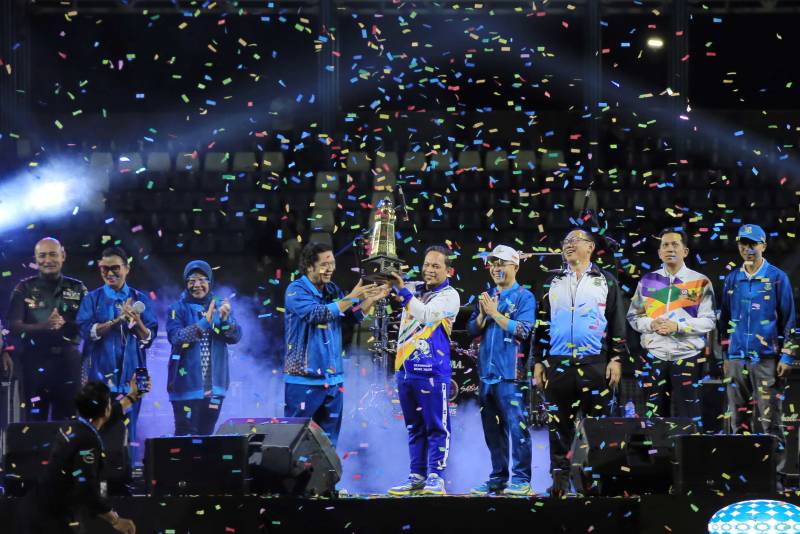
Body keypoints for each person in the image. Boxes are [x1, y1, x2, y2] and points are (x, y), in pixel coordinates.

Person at [531, 229, 627, 497]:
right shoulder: (552, 281)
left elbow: (617, 321)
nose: (568, 245)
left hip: (595, 363)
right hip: (558, 364)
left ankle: (595, 483)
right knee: (558, 426)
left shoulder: (606, 280)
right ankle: (559, 483)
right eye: (566, 241)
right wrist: (538, 360)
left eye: (575, 241)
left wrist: (616, 358)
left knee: (597, 426)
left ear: (590, 247)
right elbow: (542, 323)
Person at [283, 242, 388, 447]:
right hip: (303, 381)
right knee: (296, 444)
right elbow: (318, 314)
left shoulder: (332, 289)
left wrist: (372, 300)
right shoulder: (295, 290)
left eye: (332, 263)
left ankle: (327, 470)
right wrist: (352, 297)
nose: (330, 268)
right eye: (324, 264)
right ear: (309, 266)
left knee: (329, 446)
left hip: (333, 381)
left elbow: (350, 317)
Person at [20, 378, 145, 533]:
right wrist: (115, 520)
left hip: (38, 509)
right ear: (105, 409)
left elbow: (108, 415)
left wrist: (133, 396)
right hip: (55, 519)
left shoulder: (73, 426)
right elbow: (86, 489)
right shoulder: (88, 442)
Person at [720, 224, 796, 472]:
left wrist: (787, 356)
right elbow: (724, 322)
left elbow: (790, 320)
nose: (747, 248)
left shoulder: (777, 278)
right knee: (737, 421)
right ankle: (741, 476)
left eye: (752, 244)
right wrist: (726, 356)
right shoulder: (732, 279)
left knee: (770, 421)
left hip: (767, 360)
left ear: (763, 245)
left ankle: (775, 477)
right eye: (743, 243)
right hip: (736, 359)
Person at [387, 245, 461, 496]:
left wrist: (402, 291)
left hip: (432, 372)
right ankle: (416, 476)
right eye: (427, 264)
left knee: (437, 427)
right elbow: (392, 287)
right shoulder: (415, 289)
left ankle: (436, 477)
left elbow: (427, 315)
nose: (429, 269)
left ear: (449, 270)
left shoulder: (450, 295)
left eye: (436, 266)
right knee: (414, 427)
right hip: (405, 370)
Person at [467, 245, 536, 496]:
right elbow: (472, 329)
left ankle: (521, 480)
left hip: (511, 376)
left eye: (502, 263)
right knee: (493, 431)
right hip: (486, 376)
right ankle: (497, 478)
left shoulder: (525, 297)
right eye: (493, 263)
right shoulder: (486, 296)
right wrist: (482, 315)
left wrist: (494, 313)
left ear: (515, 266)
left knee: (517, 429)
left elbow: (524, 330)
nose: (496, 267)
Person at [627, 228, 716, 421]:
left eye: (675, 244)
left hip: (688, 358)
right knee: (654, 420)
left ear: (685, 251)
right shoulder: (648, 281)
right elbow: (633, 316)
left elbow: (709, 320)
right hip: (654, 357)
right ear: (659, 252)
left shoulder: (700, 282)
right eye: (665, 245)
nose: (670, 249)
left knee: (689, 418)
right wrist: (651, 324)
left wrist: (678, 327)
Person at [76, 246, 158, 452]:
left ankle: (128, 470)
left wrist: (137, 321)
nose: (109, 273)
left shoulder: (141, 298)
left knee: (130, 435)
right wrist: (117, 320)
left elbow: (149, 339)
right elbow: (86, 331)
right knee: (99, 434)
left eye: (115, 268)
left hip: (136, 378)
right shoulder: (91, 299)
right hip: (99, 380)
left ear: (126, 268)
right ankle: (98, 471)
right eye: (105, 268)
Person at [6, 237, 87, 421]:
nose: (47, 260)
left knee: (68, 422)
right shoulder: (24, 288)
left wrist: (67, 324)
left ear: (63, 255)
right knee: (34, 421)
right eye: (42, 255)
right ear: (35, 259)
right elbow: (13, 327)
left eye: (53, 254)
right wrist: (45, 326)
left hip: (69, 363)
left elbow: (89, 325)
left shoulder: (78, 288)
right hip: (33, 363)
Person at [166, 260, 243, 435]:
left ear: (210, 281)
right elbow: (176, 338)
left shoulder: (221, 305)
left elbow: (236, 337)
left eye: (202, 280)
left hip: (215, 388)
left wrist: (225, 321)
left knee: (207, 436)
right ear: (185, 283)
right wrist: (204, 323)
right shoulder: (177, 309)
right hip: (186, 388)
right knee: (185, 437)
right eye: (192, 280)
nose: (197, 285)